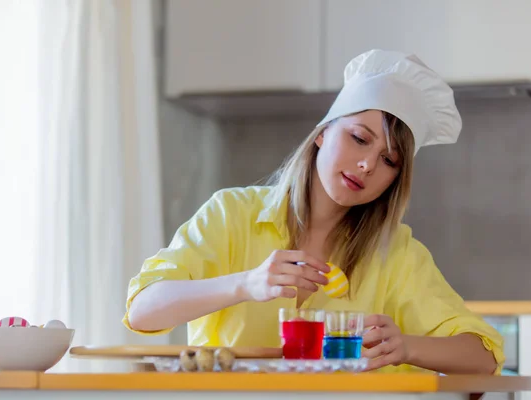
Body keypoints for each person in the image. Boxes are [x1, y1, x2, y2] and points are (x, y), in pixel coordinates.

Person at [123, 49, 505, 375]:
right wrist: (245, 284)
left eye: (388, 160)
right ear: (322, 133)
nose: (367, 166)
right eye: (359, 139)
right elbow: (143, 311)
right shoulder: (231, 214)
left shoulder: (396, 254)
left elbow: (485, 356)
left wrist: (406, 346)